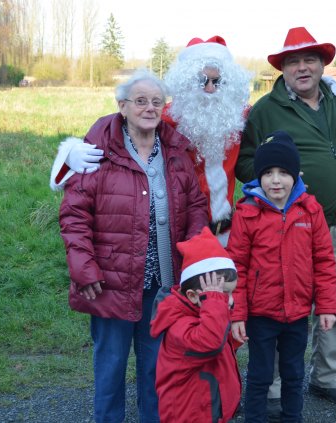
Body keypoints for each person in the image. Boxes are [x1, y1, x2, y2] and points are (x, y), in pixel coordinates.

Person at [234, 27, 336, 415]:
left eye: (310, 60)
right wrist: (277, 178)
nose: (302, 68)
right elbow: (245, 163)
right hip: (285, 225)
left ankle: (328, 377)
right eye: (293, 62)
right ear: (283, 70)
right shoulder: (266, 110)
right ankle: (273, 386)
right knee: (280, 302)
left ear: (321, 66)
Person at [58, 69, 208, 423]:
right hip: (110, 282)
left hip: (163, 285)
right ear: (122, 106)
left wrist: (193, 259)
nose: (149, 108)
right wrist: (83, 268)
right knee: (110, 367)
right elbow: (74, 215)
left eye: (156, 102)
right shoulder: (96, 153)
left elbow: (196, 207)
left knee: (157, 369)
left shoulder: (176, 152)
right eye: (140, 101)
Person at [51, 35, 252, 247]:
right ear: (186, 83)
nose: (210, 89)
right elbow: (120, 126)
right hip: (181, 233)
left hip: (227, 233)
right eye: (202, 81)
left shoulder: (237, 119)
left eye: (217, 81)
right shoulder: (165, 118)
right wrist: (70, 153)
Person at [228, 130, 336, 422]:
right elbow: (237, 267)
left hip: (297, 313)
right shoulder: (247, 214)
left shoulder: (310, 211)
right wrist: (237, 316)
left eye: (283, 173)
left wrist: (326, 306)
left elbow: (325, 262)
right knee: (260, 375)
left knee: (293, 373)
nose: (275, 180)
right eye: (268, 173)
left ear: (296, 175)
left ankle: (293, 417)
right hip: (261, 314)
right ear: (259, 177)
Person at [150, 226, 241, 423]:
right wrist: (215, 303)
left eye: (232, 293)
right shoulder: (178, 325)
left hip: (207, 411)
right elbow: (210, 343)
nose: (231, 301)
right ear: (192, 296)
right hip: (189, 415)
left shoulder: (208, 313)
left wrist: (232, 338)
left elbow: (217, 345)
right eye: (223, 294)